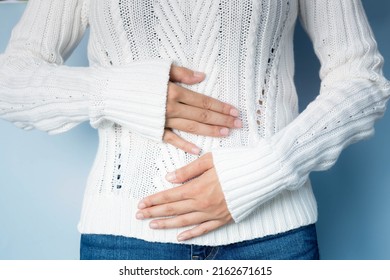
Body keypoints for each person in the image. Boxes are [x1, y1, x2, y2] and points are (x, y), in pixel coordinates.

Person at [0, 0, 389, 260]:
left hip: (275, 237)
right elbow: (11, 82)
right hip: (124, 240)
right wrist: (120, 92)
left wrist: (264, 171)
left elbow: (362, 82)